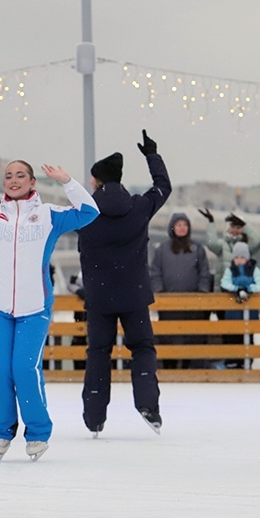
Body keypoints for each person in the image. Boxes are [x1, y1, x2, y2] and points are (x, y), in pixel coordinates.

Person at [0, 157, 99, 462]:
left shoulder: (49, 215)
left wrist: (67, 181)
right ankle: (1, 430)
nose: (14, 180)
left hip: (34, 307)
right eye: (9, 176)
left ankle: (38, 433)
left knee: (24, 369)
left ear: (32, 182)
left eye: (21, 176)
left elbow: (90, 212)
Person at [77, 131, 170, 437]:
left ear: (95, 180)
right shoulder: (140, 207)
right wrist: (152, 157)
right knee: (142, 348)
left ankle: (94, 417)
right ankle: (147, 404)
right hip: (134, 293)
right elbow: (163, 187)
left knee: (99, 352)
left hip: (99, 296)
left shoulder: (86, 210)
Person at [201, 209, 260, 366]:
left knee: (246, 329)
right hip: (226, 295)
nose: (235, 230)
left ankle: (245, 360)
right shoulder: (222, 246)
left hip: (246, 297)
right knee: (227, 330)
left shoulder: (247, 247)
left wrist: (245, 225)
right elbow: (210, 243)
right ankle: (231, 359)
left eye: (238, 227)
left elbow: (258, 240)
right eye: (233, 226)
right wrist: (211, 223)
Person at [150, 213, 212, 369]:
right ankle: (169, 366)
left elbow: (204, 272)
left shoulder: (197, 249)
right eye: (179, 225)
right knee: (169, 336)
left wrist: (202, 292)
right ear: (172, 227)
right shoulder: (162, 250)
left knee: (191, 337)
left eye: (185, 225)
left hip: (192, 305)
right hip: (169, 304)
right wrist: (159, 291)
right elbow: (155, 272)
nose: (182, 228)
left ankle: (187, 367)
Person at [219, 242, 260, 369]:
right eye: (237, 257)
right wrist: (237, 289)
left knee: (248, 338)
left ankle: (247, 362)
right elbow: (224, 283)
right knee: (233, 337)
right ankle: (232, 361)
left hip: (250, 312)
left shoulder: (254, 270)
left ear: (247, 258)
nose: (239, 260)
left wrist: (249, 289)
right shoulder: (230, 270)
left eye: (242, 257)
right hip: (233, 312)